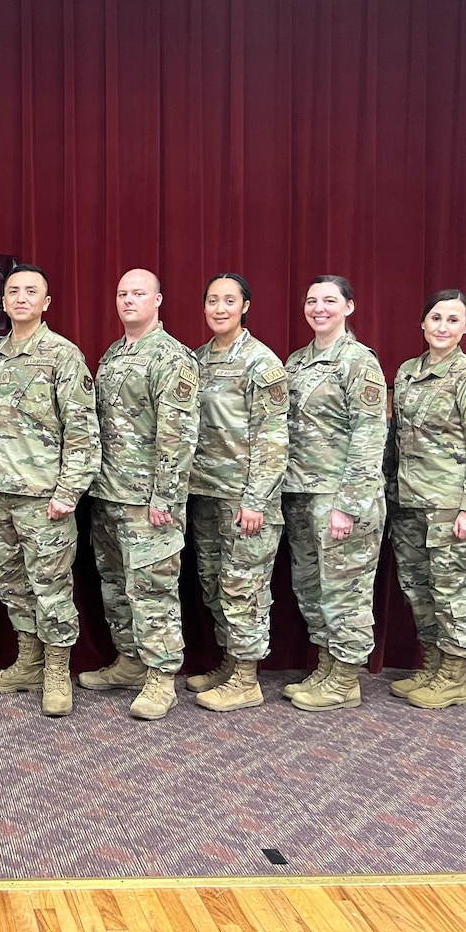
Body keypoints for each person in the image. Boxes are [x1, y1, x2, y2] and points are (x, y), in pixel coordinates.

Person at [0, 264, 100, 717]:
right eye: (13, 291)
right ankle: (28, 661)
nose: (21, 298)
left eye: (32, 292)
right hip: (2, 496)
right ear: (4, 302)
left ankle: (55, 671)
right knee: (12, 585)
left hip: (46, 497)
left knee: (50, 588)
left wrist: (68, 492)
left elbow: (82, 432)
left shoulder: (62, 356)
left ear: (46, 303)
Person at [75, 269, 199, 720]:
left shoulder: (172, 357)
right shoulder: (114, 352)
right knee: (115, 586)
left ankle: (161, 677)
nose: (129, 300)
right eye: (122, 293)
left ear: (158, 300)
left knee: (152, 589)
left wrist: (164, 497)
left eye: (138, 294)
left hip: (149, 501)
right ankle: (129, 661)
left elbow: (178, 435)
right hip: (109, 493)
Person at [385, 290, 466, 709]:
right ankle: (432, 666)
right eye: (436, 317)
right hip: (410, 502)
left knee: (450, 590)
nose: (443, 326)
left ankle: (453, 676)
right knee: (418, 588)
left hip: (451, 507)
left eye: (453, 320)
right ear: (422, 323)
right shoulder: (409, 372)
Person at [281, 275, 388, 711]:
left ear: (349, 307)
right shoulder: (295, 362)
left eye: (329, 300)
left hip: (341, 498)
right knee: (312, 588)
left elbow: (370, 433)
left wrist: (350, 503)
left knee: (346, 592)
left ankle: (345, 677)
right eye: (311, 300)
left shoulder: (359, 362)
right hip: (301, 493)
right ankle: (327, 666)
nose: (318, 308)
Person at [182, 274, 288, 713]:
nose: (219, 308)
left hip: (245, 500)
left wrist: (256, 499)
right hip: (205, 493)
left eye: (229, 300)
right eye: (212, 300)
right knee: (214, 584)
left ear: (246, 306)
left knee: (244, 588)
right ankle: (229, 663)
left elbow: (273, 437)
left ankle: (246, 679)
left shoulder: (261, 363)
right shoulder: (197, 359)